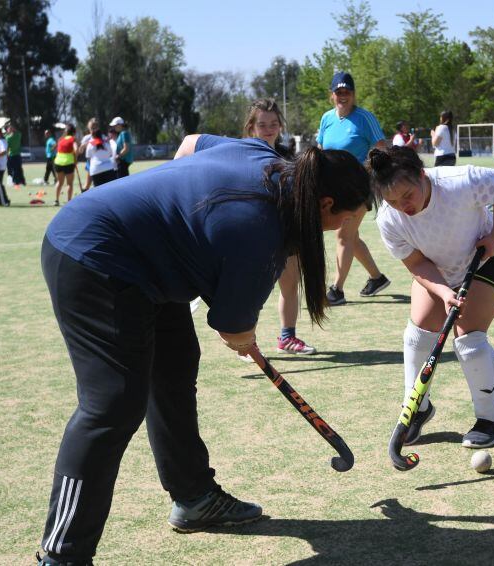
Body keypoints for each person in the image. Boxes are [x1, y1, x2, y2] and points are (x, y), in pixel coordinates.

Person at [35, 134, 373, 566]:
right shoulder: (261, 231)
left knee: (175, 369)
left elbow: (191, 143)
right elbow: (233, 328)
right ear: (325, 204)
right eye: (344, 218)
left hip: (149, 266)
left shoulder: (264, 155)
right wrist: (241, 335)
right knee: (112, 404)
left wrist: (180, 226)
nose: (341, 228)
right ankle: (62, 555)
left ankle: (194, 497)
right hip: (93, 253)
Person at [369, 145, 494, 448]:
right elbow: (416, 263)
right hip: (437, 269)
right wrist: (442, 291)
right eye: (393, 201)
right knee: (418, 333)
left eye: (407, 195)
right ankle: (417, 408)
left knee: (467, 337)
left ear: (422, 176)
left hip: (487, 258)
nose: (403, 206)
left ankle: (491, 418)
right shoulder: (388, 219)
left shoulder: (461, 181)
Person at [243, 98, 316, 354]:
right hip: (255, 233)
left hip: (286, 232)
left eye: (274, 123)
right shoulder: (243, 153)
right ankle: (245, 343)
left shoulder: (289, 156)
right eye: (262, 124)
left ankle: (287, 337)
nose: (269, 128)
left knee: (290, 285)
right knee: (251, 291)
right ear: (251, 126)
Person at [317, 71, 391, 306]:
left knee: (343, 235)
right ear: (332, 95)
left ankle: (337, 290)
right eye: (339, 92)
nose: (343, 96)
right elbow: (320, 149)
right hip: (332, 187)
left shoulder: (364, 118)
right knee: (351, 236)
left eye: (347, 91)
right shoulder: (327, 118)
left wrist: (366, 175)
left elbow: (381, 150)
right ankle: (377, 278)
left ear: (353, 94)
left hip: (359, 186)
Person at [52, 124, 78, 206]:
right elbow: (76, 149)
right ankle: (69, 201)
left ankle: (56, 200)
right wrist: (75, 159)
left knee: (59, 182)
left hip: (58, 163)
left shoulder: (61, 139)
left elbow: (55, 149)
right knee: (69, 184)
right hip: (68, 163)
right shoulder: (73, 139)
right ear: (74, 132)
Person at [78, 118, 98, 191]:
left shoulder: (101, 136)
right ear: (89, 128)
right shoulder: (87, 138)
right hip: (90, 163)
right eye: (92, 128)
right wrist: (83, 146)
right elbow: (80, 151)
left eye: (95, 128)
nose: (93, 130)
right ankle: (84, 195)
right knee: (88, 184)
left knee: (99, 184)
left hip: (99, 162)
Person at [5, 123, 26, 188]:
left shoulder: (8, 137)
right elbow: (7, 147)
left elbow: (7, 147)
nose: (10, 129)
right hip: (13, 155)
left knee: (15, 169)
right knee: (17, 168)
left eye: (11, 128)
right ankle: (21, 181)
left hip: (13, 155)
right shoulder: (16, 135)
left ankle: (16, 181)